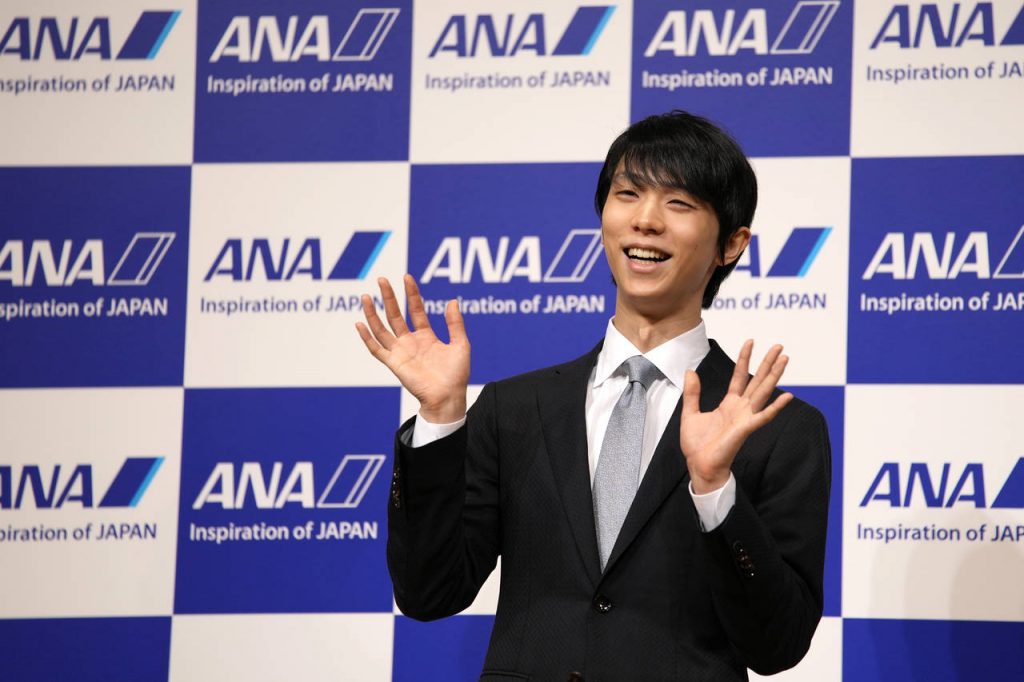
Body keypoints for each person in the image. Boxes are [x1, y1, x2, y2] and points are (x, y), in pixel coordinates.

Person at [357, 111, 831, 681]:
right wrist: (439, 418)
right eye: (628, 194)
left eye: (679, 203)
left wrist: (714, 490)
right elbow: (428, 593)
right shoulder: (515, 410)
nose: (646, 220)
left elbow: (778, 646)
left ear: (731, 244)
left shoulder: (777, 428)